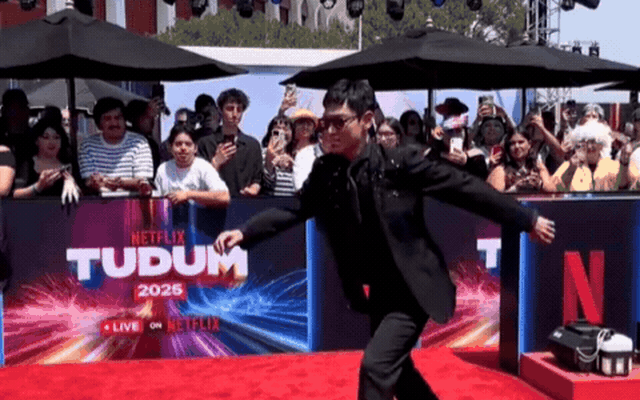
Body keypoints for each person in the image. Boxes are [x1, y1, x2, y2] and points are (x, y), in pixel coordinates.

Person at [213, 78, 556, 400]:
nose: (329, 131)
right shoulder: (327, 171)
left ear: (365, 120)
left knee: (376, 368)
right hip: (378, 289)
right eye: (324, 123)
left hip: (415, 285)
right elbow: (295, 210)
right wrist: (244, 231)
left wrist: (526, 219)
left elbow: (464, 189)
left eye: (339, 123)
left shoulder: (399, 163)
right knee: (398, 373)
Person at [78, 97, 154, 194]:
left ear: (125, 121)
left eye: (118, 118)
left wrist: (120, 183)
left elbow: (143, 181)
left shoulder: (139, 143)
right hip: (99, 200)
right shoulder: (88, 146)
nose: (114, 123)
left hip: (132, 200)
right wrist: (96, 182)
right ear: (99, 124)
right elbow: (88, 181)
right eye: (108, 119)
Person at [197, 88, 262, 197]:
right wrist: (215, 163)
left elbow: (257, 179)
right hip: (215, 202)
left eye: (239, 109)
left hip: (245, 203)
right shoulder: (205, 143)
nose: (235, 114)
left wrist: (254, 188)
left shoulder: (253, 145)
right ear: (220, 110)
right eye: (230, 109)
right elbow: (197, 182)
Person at [154, 125, 229, 208]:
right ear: (171, 148)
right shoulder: (163, 169)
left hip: (198, 215)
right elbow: (156, 200)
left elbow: (224, 196)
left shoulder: (203, 167)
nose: (183, 148)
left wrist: (189, 194)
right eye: (178, 144)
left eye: (188, 144)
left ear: (195, 148)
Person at [552, 119, 638, 192]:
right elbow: (555, 189)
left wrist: (624, 164)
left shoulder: (612, 166)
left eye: (593, 142)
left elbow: (626, 184)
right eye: (586, 142)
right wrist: (571, 169)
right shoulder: (568, 165)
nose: (590, 147)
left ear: (602, 145)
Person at [13, 118, 81, 202]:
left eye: (56, 137)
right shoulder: (27, 163)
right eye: (46, 137)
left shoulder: (69, 163)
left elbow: (84, 195)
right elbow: (15, 194)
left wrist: (72, 183)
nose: (52, 142)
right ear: (36, 141)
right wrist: (38, 187)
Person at [486, 126, 555, 193]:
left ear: (529, 144)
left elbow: (552, 191)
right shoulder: (501, 170)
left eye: (521, 142)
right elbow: (495, 198)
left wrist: (539, 183)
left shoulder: (538, 166)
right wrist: (516, 188)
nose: (517, 146)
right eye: (512, 143)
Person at [427, 112, 489, 179]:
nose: (454, 134)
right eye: (450, 131)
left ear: (465, 133)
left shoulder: (476, 157)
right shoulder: (432, 157)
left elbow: (481, 179)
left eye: (458, 130)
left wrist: (467, 162)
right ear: (442, 134)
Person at [125, 99, 163, 175]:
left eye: (153, 117)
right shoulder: (124, 140)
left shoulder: (152, 144)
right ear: (136, 117)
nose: (152, 121)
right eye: (148, 117)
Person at [261, 116, 296, 196]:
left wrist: (293, 165)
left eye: (286, 129)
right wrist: (270, 159)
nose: (282, 133)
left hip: (292, 202)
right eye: (278, 129)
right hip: (272, 202)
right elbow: (265, 184)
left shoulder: (296, 156)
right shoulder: (262, 154)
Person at [0, 89, 32, 165]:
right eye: (13, 109)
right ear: (4, 111)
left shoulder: (35, 139)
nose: (19, 114)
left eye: (22, 108)